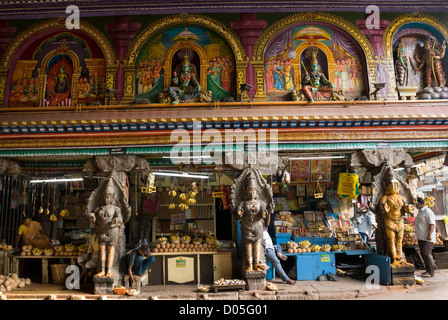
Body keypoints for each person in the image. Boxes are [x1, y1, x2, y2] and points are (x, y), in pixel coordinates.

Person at [415, 197, 437, 278]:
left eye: (416, 204)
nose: (415, 206)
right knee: (424, 254)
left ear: (420, 204)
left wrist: (429, 235)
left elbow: (432, 224)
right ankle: (428, 270)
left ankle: (431, 272)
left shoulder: (428, 212)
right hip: (421, 236)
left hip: (427, 237)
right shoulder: (420, 212)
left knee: (427, 254)